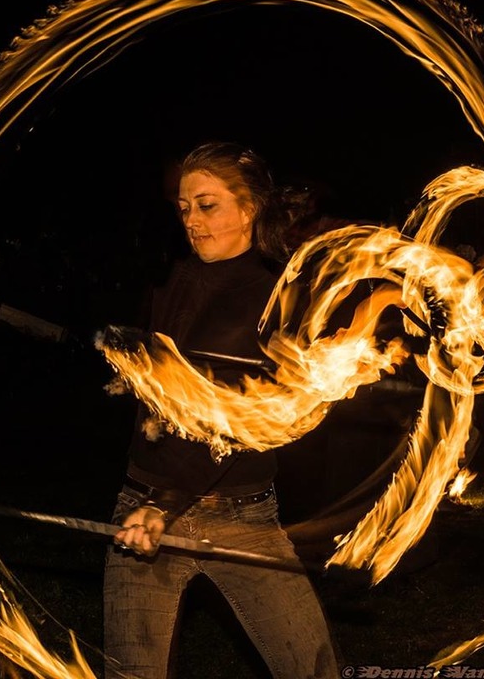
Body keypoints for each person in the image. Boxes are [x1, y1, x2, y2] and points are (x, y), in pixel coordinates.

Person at [102, 141, 341, 679]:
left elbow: (236, 422)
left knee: (312, 670)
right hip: (142, 506)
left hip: (241, 518)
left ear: (249, 208)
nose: (191, 220)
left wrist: (167, 503)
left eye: (207, 205)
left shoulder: (276, 299)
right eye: (184, 207)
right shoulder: (172, 280)